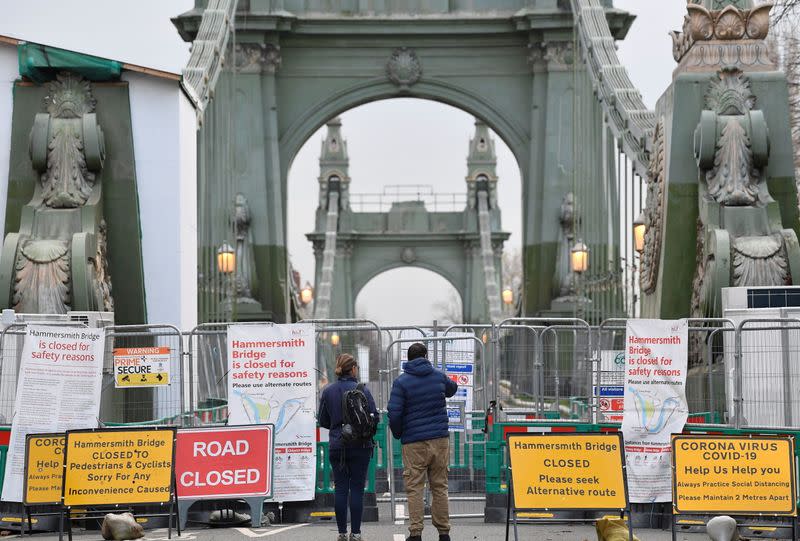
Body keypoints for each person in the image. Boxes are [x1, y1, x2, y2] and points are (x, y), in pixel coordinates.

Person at [388, 343, 458, 541]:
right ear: (426, 356)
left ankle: (416, 532)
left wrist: (399, 433)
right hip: (440, 440)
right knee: (440, 486)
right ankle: (444, 533)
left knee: (415, 487)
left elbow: (394, 413)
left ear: (408, 359)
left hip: (414, 443)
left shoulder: (401, 382)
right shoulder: (438, 376)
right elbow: (452, 388)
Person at [318, 353, 378, 541]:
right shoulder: (363, 390)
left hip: (338, 444)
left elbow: (322, 420)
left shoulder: (328, 391)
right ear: (353, 369)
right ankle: (356, 533)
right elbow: (375, 417)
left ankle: (342, 533)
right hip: (361, 445)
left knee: (341, 488)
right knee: (357, 489)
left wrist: (339, 427)